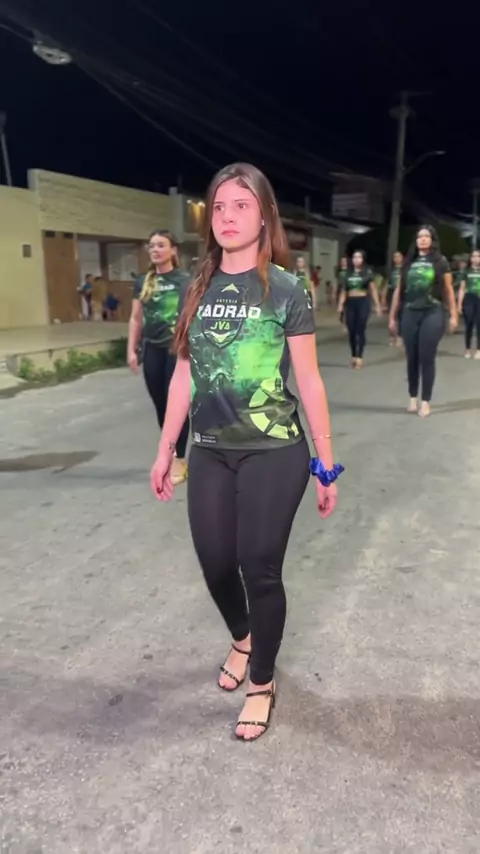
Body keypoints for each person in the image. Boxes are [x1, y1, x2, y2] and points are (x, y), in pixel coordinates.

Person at [149, 162, 339, 742]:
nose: (228, 217)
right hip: (208, 448)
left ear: (264, 215)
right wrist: (166, 449)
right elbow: (183, 375)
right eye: (219, 206)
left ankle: (261, 681)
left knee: (258, 565)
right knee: (214, 564)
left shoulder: (286, 288)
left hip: (274, 450)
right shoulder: (197, 286)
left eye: (242, 205)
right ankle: (243, 637)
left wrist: (325, 462)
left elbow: (309, 380)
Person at [128, 230, 190, 485]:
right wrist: (131, 349)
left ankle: (179, 459)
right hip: (152, 348)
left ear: (173, 250)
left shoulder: (185, 280)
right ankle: (169, 452)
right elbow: (136, 318)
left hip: (177, 349)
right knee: (160, 405)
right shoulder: (143, 281)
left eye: (161, 245)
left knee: (177, 404)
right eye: (151, 246)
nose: (155, 250)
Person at [388, 225, 457, 417]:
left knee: (427, 356)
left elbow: (448, 289)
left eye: (427, 236)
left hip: (432, 312)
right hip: (410, 312)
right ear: (416, 241)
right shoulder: (408, 262)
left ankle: (426, 401)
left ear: (432, 240)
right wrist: (392, 316)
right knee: (412, 356)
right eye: (420, 237)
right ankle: (412, 397)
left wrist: (453, 314)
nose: (423, 239)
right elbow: (399, 290)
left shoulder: (440, 261)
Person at [337, 250, 381, 368]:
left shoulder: (367, 272)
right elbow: (343, 291)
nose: (356, 260)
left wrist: (377, 305)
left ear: (363, 259)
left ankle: (359, 357)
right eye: (354, 257)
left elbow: (373, 290)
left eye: (359, 257)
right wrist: (340, 305)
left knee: (360, 330)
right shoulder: (348, 274)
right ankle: (353, 355)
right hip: (350, 302)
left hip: (363, 302)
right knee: (351, 330)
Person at [457, 249, 480, 359]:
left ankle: (478, 350)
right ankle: (467, 349)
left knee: (479, 324)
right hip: (468, 299)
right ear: (470, 259)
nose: (476, 259)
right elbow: (462, 288)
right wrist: (459, 304)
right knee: (469, 324)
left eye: (478, 256)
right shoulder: (466, 272)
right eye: (473, 256)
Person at [384, 251, 403, 346]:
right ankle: (391, 336)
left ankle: (399, 336)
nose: (397, 258)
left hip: (402, 293)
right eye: (395, 257)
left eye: (399, 256)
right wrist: (383, 297)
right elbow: (386, 283)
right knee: (392, 316)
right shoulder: (391, 270)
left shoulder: (405, 269)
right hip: (391, 293)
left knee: (401, 316)